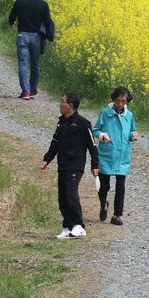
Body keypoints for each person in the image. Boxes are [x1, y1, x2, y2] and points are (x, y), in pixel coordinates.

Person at [40, 92, 100, 240]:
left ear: (70, 105)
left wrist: (95, 164)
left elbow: (92, 145)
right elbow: (55, 143)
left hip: (76, 164)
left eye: (62, 102)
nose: (60, 105)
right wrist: (47, 159)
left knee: (70, 194)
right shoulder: (61, 122)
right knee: (62, 197)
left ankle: (79, 226)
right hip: (63, 164)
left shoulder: (82, 123)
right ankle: (68, 227)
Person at [93, 87, 139, 226]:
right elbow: (95, 130)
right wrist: (102, 136)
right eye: (118, 100)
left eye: (123, 101)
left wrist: (133, 135)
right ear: (114, 99)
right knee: (103, 186)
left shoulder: (129, 116)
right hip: (107, 155)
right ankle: (103, 204)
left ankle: (117, 215)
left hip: (122, 156)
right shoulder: (105, 113)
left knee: (120, 186)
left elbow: (132, 130)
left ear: (127, 101)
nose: (120, 104)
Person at [9, 0, 53, 100]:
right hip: (36, 38)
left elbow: (12, 17)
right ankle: (33, 90)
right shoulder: (43, 5)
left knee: (23, 64)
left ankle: (25, 92)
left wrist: (11, 24)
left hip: (22, 36)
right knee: (35, 63)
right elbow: (48, 21)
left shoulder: (19, 3)